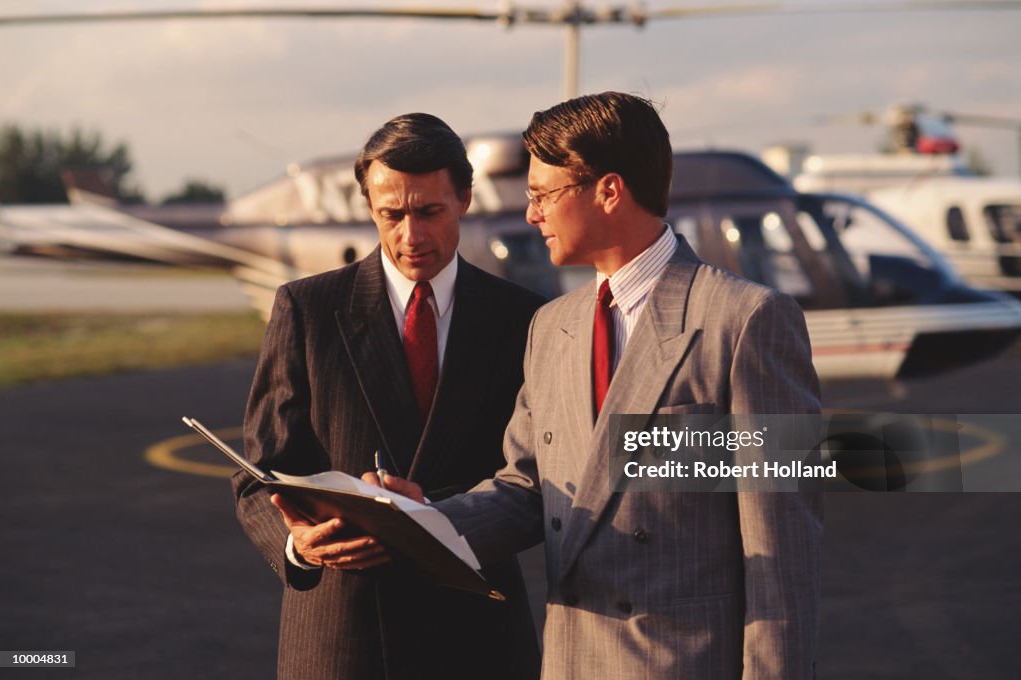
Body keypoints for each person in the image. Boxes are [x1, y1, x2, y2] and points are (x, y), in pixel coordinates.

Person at [426, 92, 824, 678]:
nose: (532, 214)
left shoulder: (748, 320)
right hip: (572, 662)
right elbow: (531, 486)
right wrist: (418, 522)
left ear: (609, 190)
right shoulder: (551, 325)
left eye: (542, 195)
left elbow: (782, 551)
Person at [233, 113, 543, 680]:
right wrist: (299, 544)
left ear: (466, 199)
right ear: (369, 207)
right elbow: (260, 472)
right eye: (390, 214)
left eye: (429, 211)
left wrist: (429, 515)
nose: (410, 235)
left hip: (479, 635)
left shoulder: (523, 317)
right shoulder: (307, 309)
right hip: (341, 633)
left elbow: (536, 475)